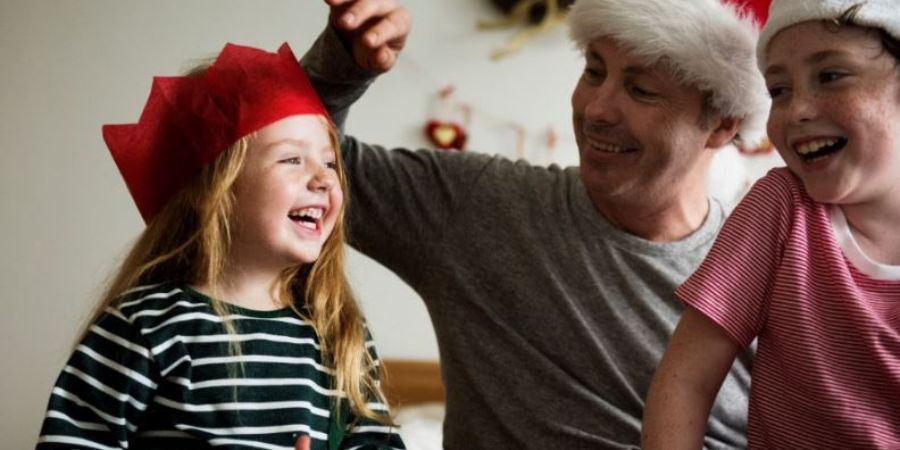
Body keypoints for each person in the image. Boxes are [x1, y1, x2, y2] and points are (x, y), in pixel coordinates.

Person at [306, 0, 770, 448]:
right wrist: (341, 69)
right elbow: (285, 171)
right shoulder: (478, 207)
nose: (597, 110)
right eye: (593, 71)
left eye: (641, 89)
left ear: (722, 123)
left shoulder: (772, 274)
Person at [34, 41, 404, 450]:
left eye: (330, 162)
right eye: (292, 160)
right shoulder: (145, 325)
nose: (324, 179)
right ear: (216, 191)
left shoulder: (337, 332)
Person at [642, 1, 900, 448]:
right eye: (778, 90)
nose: (798, 108)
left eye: (830, 75)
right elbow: (686, 383)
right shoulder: (781, 208)